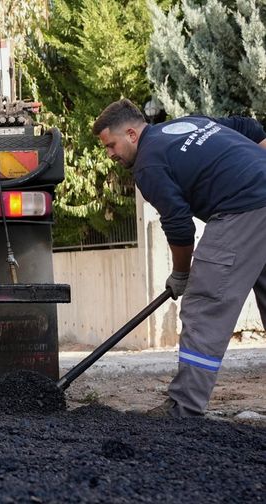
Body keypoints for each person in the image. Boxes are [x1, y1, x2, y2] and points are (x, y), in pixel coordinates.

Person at [92, 98, 266, 418]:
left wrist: (181, 274)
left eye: (111, 145)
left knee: (203, 306)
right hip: (257, 197)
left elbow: (178, 225)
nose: (111, 154)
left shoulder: (148, 163)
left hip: (241, 208)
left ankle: (184, 408)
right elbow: (249, 128)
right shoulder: (185, 124)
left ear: (131, 133)